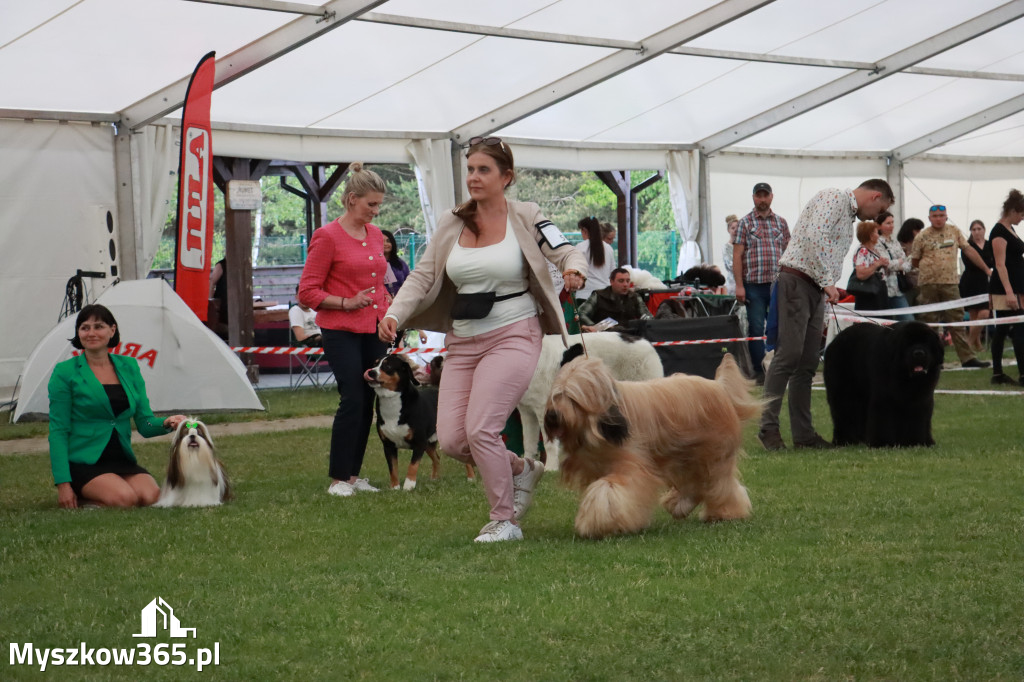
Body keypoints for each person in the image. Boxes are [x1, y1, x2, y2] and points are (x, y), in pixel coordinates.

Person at [378, 137, 587, 543]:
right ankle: (523, 469)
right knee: (455, 440)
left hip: (515, 332)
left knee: (481, 430)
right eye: (470, 169)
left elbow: (565, 252)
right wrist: (393, 313)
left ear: (506, 177)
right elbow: (422, 276)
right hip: (462, 339)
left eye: (483, 170)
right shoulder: (451, 221)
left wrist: (575, 270)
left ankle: (504, 520)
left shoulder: (527, 215)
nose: (473, 177)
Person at [758, 179, 894, 451]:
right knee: (788, 356)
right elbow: (814, 237)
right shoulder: (834, 198)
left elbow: (825, 248)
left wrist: (827, 283)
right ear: (875, 196)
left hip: (813, 287)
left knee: (807, 362)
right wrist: (826, 280)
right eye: (881, 209)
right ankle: (768, 428)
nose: (877, 218)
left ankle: (804, 436)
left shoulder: (848, 216)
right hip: (797, 281)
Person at [298, 162, 392, 498]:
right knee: (352, 397)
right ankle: (338, 477)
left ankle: (353, 476)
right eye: (371, 204)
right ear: (352, 199)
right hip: (340, 329)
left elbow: (381, 284)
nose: (376, 211)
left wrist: (389, 318)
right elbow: (306, 292)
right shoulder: (327, 237)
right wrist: (344, 302)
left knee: (368, 399)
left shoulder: (377, 235)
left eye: (379, 205)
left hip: (374, 328)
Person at [47, 304, 186, 509]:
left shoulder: (129, 366)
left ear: (112, 330)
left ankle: (108, 491)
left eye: (99, 326)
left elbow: (145, 424)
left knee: (152, 497)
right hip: (83, 461)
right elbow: (58, 431)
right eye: (85, 327)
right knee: (125, 499)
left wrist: (167, 422)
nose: (91, 333)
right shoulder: (64, 372)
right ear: (78, 333)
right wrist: (62, 484)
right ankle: (85, 497)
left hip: (120, 458)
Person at [910, 205, 992, 368]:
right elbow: (915, 260)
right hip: (928, 284)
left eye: (941, 215)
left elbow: (969, 251)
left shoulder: (954, 231)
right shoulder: (922, 236)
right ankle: (933, 360)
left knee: (956, 320)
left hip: (951, 283)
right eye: (935, 216)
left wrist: (986, 269)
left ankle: (967, 358)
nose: (938, 218)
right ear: (929, 218)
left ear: (946, 217)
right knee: (930, 323)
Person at [732, 182, 790, 383]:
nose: (762, 199)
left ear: (772, 197)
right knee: (756, 328)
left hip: (777, 285)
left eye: (766, 196)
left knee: (780, 327)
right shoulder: (745, 223)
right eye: (759, 196)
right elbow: (737, 256)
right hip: (753, 286)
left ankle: (780, 367)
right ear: (753, 198)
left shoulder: (781, 223)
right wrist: (739, 286)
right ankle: (759, 371)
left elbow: (789, 253)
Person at [987, 190, 1024, 385]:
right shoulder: (998, 232)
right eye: (1021, 213)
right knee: (1017, 329)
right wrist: (1009, 292)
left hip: (1017, 285)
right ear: (1012, 211)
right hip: (1004, 289)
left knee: (1003, 330)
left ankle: (998, 373)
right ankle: (1019, 372)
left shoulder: (1010, 229)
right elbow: (1000, 264)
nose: (1022, 217)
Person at [578, 267, 654, 331]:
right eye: (621, 281)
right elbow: (581, 313)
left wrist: (647, 321)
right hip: (604, 336)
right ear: (611, 281)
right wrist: (594, 327)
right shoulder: (598, 296)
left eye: (627, 281)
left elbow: (647, 316)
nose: (625, 284)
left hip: (629, 335)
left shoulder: (635, 297)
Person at [959, 219, 993, 351]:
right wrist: (985, 264)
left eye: (979, 229)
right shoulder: (967, 246)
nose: (977, 232)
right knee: (973, 315)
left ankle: (968, 343)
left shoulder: (990, 244)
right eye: (974, 229)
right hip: (970, 282)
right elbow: (970, 263)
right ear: (971, 232)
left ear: (984, 230)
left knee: (984, 313)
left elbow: (993, 261)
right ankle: (977, 345)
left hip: (986, 282)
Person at [874, 210, 913, 320]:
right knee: (886, 321)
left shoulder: (895, 242)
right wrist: (899, 262)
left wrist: (899, 263)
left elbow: (907, 265)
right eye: (888, 223)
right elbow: (886, 264)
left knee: (908, 320)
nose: (891, 226)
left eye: (892, 222)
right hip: (883, 288)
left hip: (897, 289)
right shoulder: (876, 243)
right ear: (879, 226)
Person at [574, 216, 615, 304]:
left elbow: (575, 271)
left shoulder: (580, 247)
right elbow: (613, 273)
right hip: (605, 296)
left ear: (584, 230)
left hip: (584, 295)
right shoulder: (609, 248)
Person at [850, 221, 890, 311]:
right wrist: (877, 264)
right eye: (876, 233)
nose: (878, 235)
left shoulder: (874, 250)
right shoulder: (862, 251)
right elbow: (861, 274)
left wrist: (883, 265)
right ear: (871, 236)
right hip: (868, 293)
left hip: (879, 291)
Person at [896, 217, 924, 304]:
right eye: (917, 230)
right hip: (905, 285)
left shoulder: (922, 247)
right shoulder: (897, 247)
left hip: (920, 285)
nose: (920, 233)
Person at [381, 229, 411, 297]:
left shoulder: (400, 263)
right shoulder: (372, 264)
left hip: (400, 300)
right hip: (382, 302)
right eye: (382, 241)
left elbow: (408, 281)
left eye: (388, 241)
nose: (385, 244)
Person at [722, 214, 739, 295]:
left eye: (737, 228)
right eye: (732, 228)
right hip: (733, 283)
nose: (735, 230)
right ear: (728, 230)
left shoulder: (744, 245)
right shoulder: (726, 247)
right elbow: (731, 266)